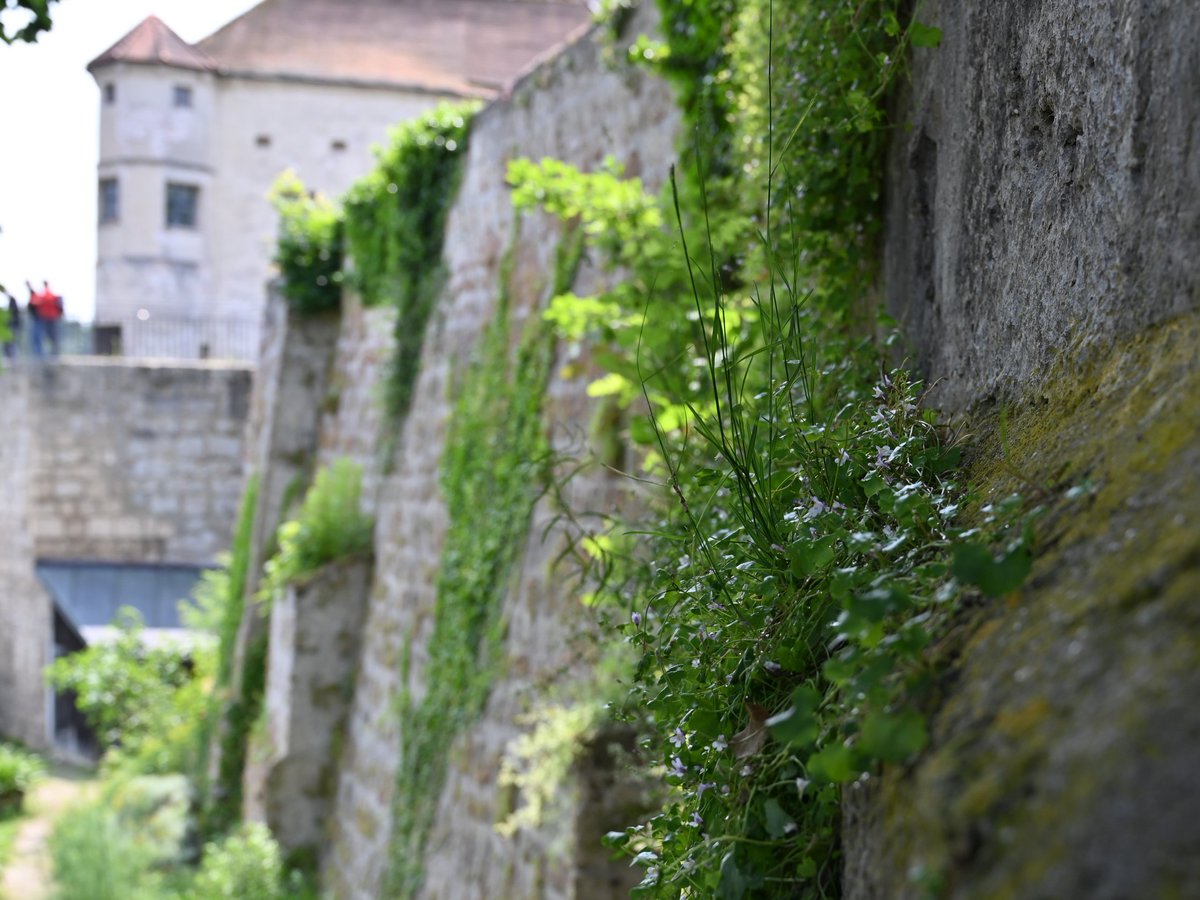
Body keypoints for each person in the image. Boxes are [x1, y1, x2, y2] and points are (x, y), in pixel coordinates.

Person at [26, 279, 62, 357]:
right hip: (51, 318)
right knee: (52, 337)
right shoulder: (52, 295)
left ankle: (41, 354)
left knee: (40, 337)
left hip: (44, 318)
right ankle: (54, 353)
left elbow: (33, 302)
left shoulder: (43, 295)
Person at [1, 285, 19, 358]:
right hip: (8, 325)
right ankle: (10, 356)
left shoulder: (12, 301)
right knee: (8, 342)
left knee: (11, 342)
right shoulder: (10, 302)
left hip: (12, 324)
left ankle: (12, 357)